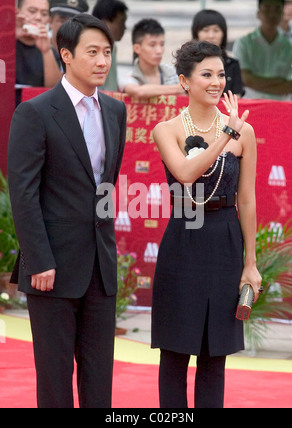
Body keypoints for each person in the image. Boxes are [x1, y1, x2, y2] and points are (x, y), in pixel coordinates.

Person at [8, 13, 127, 408]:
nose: (102, 61)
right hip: (51, 269)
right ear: (66, 55)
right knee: (55, 381)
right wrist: (38, 259)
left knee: (99, 381)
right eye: (92, 52)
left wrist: (108, 251)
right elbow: (23, 194)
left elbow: (104, 186)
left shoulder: (115, 112)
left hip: (99, 267)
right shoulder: (35, 112)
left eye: (107, 52)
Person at [151, 41, 262, 408]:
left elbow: (246, 199)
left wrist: (250, 263)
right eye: (207, 75)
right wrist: (225, 135)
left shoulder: (243, 133)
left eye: (221, 75)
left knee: (215, 357)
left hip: (225, 241)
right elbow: (184, 173)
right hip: (183, 239)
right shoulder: (166, 129)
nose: (217, 82)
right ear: (184, 81)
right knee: (174, 353)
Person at [233, 0, 292, 100]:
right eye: (267, 8)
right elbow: (244, 79)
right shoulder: (243, 43)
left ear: (281, 14)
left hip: (281, 107)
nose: (272, 14)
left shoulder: (290, 48)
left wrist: (255, 82)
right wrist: (278, 80)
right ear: (258, 13)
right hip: (251, 105)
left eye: (277, 9)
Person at [119, 18, 185, 99]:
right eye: (152, 45)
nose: (159, 51)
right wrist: (177, 89)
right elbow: (138, 91)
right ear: (137, 48)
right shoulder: (128, 78)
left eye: (162, 44)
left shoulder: (173, 73)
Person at [191, 9, 245, 98]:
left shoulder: (232, 65)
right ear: (196, 33)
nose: (211, 36)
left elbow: (237, 97)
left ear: (223, 34)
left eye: (216, 31)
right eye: (205, 30)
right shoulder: (187, 63)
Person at [16, 0, 61, 87]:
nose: (38, 17)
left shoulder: (50, 52)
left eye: (44, 14)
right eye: (32, 11)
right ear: (18, 12)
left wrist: (46, 52)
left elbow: (53, 90)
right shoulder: (6, 42)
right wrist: (10, 37)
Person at [92, 0, 128, 92]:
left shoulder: (112, 46)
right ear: (105, 22)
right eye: (121, 22)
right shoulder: (92, 48)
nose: (124, 27)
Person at [49, 0, 89, 68]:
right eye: (62, 20)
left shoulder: (84, 54)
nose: (67, 25)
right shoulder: (38, 49)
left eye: (73, 21)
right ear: (51, 22)